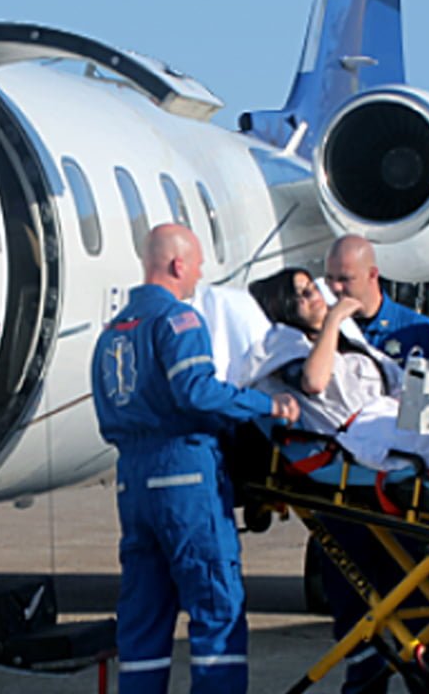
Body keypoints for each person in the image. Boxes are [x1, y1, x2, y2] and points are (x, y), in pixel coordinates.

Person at [90, 224, 300, 694]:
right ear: (178, 265)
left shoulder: (113, 333)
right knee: (215, 608)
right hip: (184, 477)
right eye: (199, 264)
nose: (201, 273)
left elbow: (108, 413)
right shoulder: (179, 321)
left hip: (132, 482)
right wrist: (267, 405)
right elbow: (197, 391)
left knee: (144, 615)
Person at [248, 267, 429, 694]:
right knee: (364, 612)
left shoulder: (355, 345)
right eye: (304, 294)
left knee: (421, 598)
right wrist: (332, 323)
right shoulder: (285, 349)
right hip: (353, 473)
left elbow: (398, 389)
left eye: (314, 289)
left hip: (391, 453)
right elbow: (315, 382)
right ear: (282, 309)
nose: (319, 296)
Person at [324, 234, 429, 365]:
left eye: (345, 279)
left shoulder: (418, 330)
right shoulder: (325, 329)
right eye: (329, 278)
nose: (335, 287)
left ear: (372, 274)